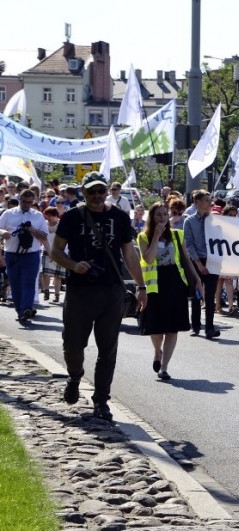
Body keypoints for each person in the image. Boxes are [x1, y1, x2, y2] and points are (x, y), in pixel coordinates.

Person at [51, 172, 148, 421]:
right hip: (79, 291)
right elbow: (56, 251)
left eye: (100, 191)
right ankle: (74, 376)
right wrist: (74, 265)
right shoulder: (72, 217)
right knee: (73, 345)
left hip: (111, 290)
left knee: (108, 349)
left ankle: (101, 401)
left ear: (106, 192)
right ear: (83, 192)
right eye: (91, 191)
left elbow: (129, 254)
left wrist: (141, 287)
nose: (96, 196)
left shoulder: (118, 216)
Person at [138, 202, 203, 380]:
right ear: (152, 217)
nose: (162, 218)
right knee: (156, 328)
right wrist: (156, 236)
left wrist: (197, 279)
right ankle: (157, 352)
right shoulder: (143, 237)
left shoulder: (177, 234)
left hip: (175, 282)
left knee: (172, 328)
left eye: (164, 215)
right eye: (158, 215)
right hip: (155, 284)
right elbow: (148, 259)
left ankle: (164, 367)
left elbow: (186, 260)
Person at [0, 189, 49, 323]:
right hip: (12, 254)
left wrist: (32, 230)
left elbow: (44, 236)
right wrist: (3, 232)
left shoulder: (38, 215)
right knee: (15, 284)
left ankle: (26, 308)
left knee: (28, 282)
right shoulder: (8, 214)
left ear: (33, 201)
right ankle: (20, 310)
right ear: (19, 199)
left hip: (31, 255)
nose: (26, 204)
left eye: (29, 202)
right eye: (24, 201)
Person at [183, 190, 221, 339]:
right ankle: (196, 326)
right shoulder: (189, 221)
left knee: (210, 296)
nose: (209, 203)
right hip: (197, 261)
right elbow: (189, 244)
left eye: (210, 200)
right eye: (206, 200)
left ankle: (210, 328)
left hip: (213, 261)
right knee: (197, 295)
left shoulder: (215, 220)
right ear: (197, 202)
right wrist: (198, 263)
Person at [40, 206, 64, 304]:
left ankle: (57, 295)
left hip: (59, 251)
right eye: (47, 215)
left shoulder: (61, 224)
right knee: (45, 273)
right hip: (46, 250)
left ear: (55, 215)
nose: (49, 218)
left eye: (51, 216)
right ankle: (46, 291)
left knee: (57, 276)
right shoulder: (44, 224)